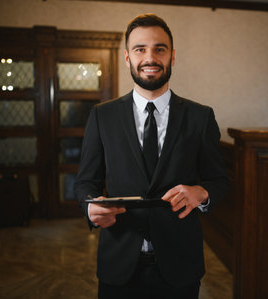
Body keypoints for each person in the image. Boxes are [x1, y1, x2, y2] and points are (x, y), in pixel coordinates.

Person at [74, 13, 229, 299]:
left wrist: (201, 192)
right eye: (140, 49)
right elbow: (85, 183)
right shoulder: (101, 116)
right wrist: (89, 208)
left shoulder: (200, 117)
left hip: (180, 265)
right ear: (127, 57)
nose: (150, 57)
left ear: (173, 56)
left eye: (160, 48)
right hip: (118, 264)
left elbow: (219, 180)